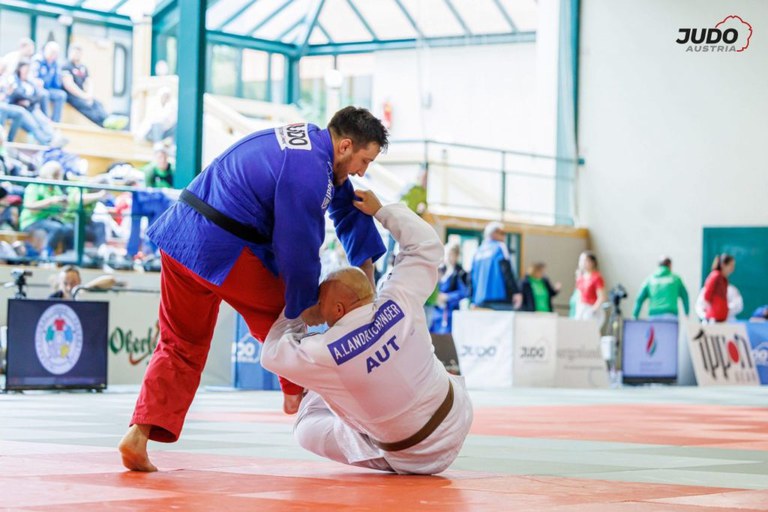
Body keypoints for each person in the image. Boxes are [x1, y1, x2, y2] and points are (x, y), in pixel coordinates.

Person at [118, 106, 388, 472]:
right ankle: (304, 397)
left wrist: (367, 271)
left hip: (180, 237)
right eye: (364, 160)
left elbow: (344, 204)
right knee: (287, 319)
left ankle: (138, 435)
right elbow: (298, 246)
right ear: (344, 146)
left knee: (180, 344)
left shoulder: (310, 149)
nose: (362, 171)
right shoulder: (309, 171)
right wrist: (304, 305)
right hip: (221, 247)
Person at [261, 190, 473, 475]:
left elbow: (272, 354)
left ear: (336, 309)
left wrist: (297, 312)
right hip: (458, 415)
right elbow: (426, 245)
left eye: (322, 305)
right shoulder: (398, 298)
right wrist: (381, 211)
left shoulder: (325, 351)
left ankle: (374, 439)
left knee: (306, 427)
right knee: (341, 377)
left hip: (415, 458)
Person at [61, 44, 128, 129]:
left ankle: (108, 120)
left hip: (83, 94)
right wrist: (84, 96)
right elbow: (69, 85)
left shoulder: (83, 67)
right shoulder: (66, 66)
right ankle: (103, 124)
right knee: (86, 106)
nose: (76, 55)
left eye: (78, 53)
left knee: (97, 104)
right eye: (74, 52)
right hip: (71, 96)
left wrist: (89, 95)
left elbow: (89, 82)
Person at [470, 221, 522, 310]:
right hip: (499, 298)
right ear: (494, 233)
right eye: (502, 233)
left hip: (479, 300)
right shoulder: (500, 247)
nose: (504, 236)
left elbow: (471, 277)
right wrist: (516, 292)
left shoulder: (478, 251)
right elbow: (506, 271)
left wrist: (472, 299)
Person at [430, 242, 469, 333]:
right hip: (435, 312)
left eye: (451, 254)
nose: (448, 257)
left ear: (456, 256)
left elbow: (464, 292)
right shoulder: (439, 270)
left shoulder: (460, 273)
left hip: (450, 313)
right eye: (446, 254)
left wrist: (447, 297)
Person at [31, 41, 67, 123]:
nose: (53, 55)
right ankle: (46, 121)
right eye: (52, 52)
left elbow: (56, 84)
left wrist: (60, 77)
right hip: (37, 88)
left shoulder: (56, 64)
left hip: (49, 88)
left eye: (56, 53)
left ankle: (56, 121)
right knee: (44, 94)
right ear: (46, 50)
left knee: (61, 95)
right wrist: (37, 81)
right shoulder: (38, 60)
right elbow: (33, 77)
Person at [574, 251, 606, 322]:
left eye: (585, 260)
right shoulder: (580, 278)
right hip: (582, 308)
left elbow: (602, 297)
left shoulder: (597, 277)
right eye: (581, 260)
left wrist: (593, 310)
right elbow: (579, 295)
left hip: (592, 309)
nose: (582, 263)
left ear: (592, 262)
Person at [701, 253, 734, 323]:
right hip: (713, 318)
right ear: (723, 265)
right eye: (730, 265)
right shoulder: (715, 276)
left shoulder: (724, 279)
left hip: (721, 318)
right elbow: (707, 295)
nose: (732, 269)